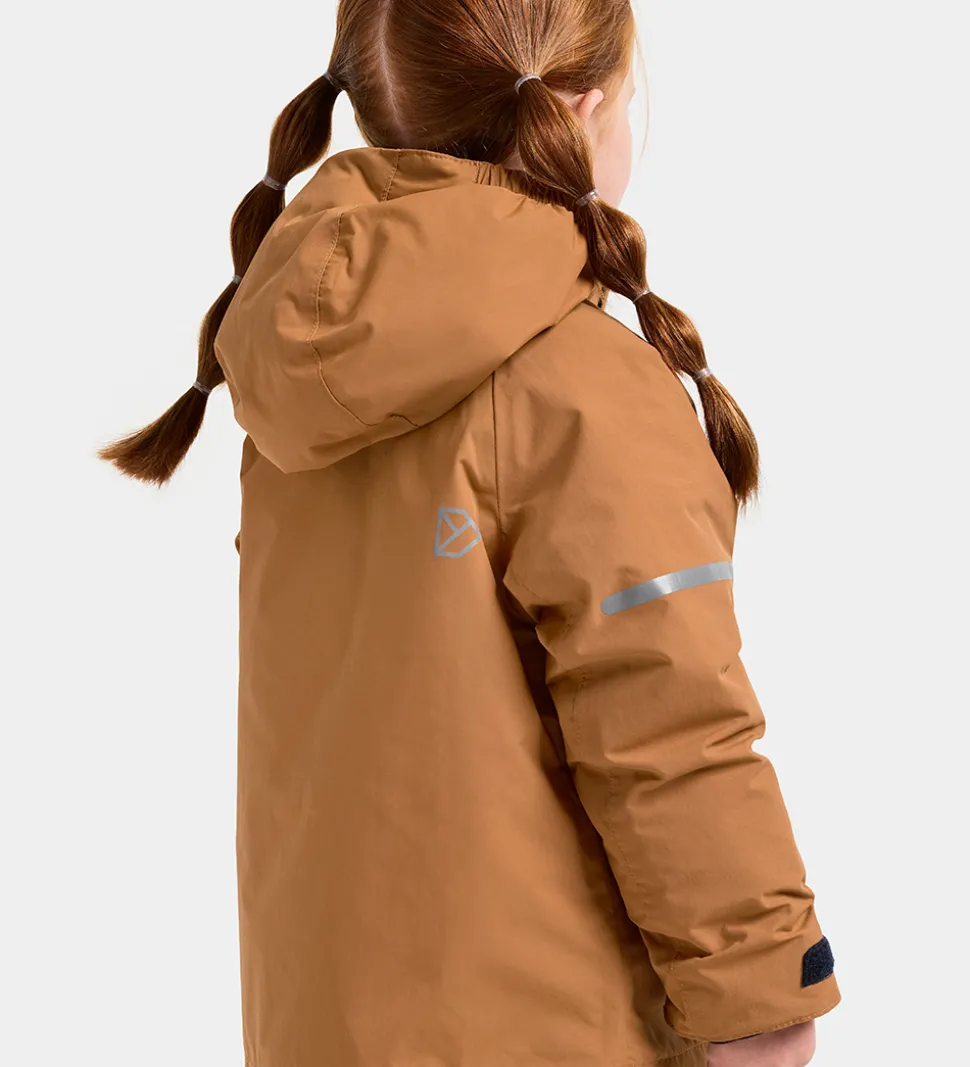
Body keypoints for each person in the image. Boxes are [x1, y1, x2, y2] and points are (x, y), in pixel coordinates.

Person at [100, 2, 840, 1065]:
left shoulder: (298, 384)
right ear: (582, 110)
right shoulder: (581, 387)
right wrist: (764, 999)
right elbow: (669, 727)